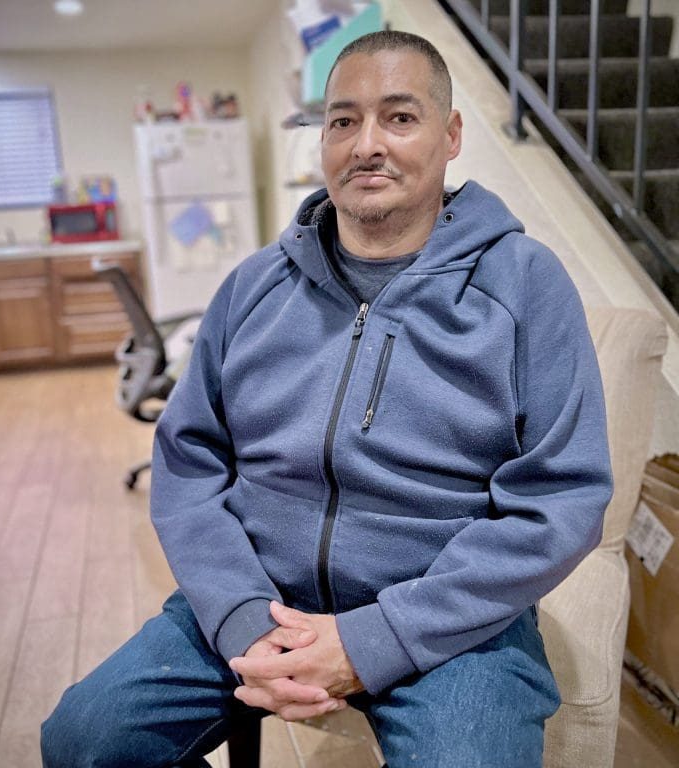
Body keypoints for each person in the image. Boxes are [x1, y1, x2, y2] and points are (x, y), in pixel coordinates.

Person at [41, 30, 612, 768]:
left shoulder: (526, 286)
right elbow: (187, 462)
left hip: (446, 617)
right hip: (262, 597)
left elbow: (562, 501)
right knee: (84, 741)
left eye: (400, 118)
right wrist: (245, 617)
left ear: (452, 134)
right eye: (343, 120)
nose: (366, 143)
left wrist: (372, 640)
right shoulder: (253, 288)